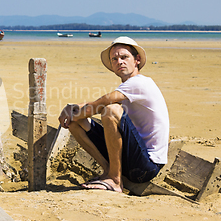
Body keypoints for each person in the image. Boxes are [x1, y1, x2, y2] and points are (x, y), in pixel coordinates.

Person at [58, 36, 169, 193]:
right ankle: (109, 171)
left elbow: (101, 104)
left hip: (146, 166)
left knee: (110, 110)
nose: (119, 62)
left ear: (137, 60)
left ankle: (116, 180)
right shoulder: (127, 87)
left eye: (124, 57)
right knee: (76, 123)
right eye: (115, 59)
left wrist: (72, 113)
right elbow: (97, 102)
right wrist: (72, 108)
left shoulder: (140, 83)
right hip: (130, 159)